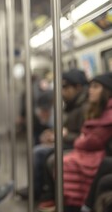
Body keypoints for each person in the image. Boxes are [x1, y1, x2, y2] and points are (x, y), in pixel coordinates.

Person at [38, 72, 112, 212]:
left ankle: (68, 203)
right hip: (85, 147)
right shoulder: (92, 108)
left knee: (57, 160)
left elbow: (93, 139)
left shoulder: (102, 112)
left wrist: (71, 137)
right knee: (48, 155)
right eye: (90, 86)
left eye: (95, 87)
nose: (90, 90)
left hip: (95, 152)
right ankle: (55, 198)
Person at [18, 69, 88, 200]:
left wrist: (60, 136)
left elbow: (83, 135)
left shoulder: (84, 107)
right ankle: (45, 191)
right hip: (69, 141)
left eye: (65, 87)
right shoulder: (73, 105)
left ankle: (43, 192)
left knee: (42, 153)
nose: (62, 91)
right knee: (41, 149)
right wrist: (54, 134)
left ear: (77, 87)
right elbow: (67, 128)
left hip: (75, 144)